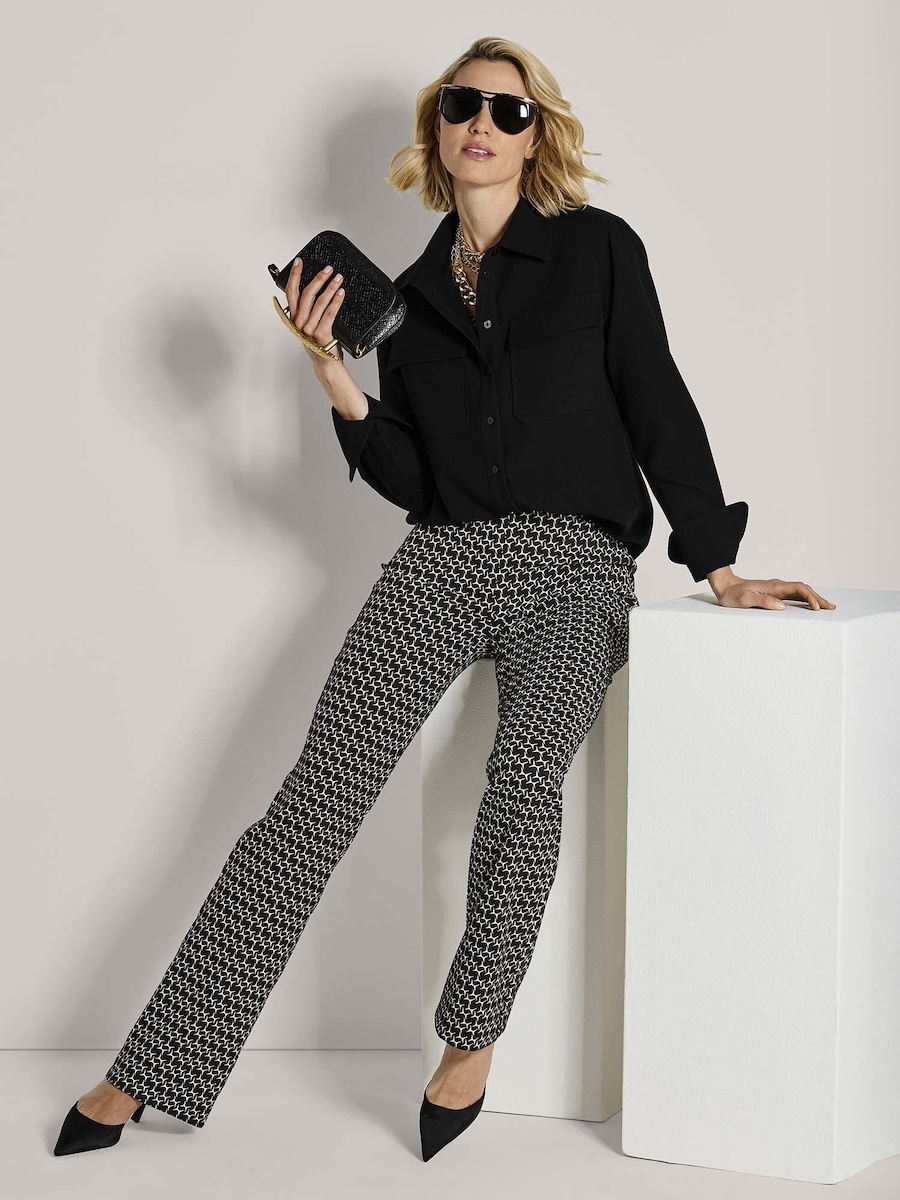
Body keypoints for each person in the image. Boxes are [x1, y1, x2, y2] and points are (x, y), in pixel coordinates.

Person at [54, 35, 835, 1163]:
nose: (484, 123)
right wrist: (333, 372)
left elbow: (656, 397)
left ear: (536, 133)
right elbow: (419, 480)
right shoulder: (408, 299)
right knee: (312, 805)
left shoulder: (598, 251)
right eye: (464, 104)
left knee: (521, 788)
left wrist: (716, 563)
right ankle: (150, 1065)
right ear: (437, 128)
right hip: (443, 559)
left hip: (576, 563)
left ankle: (469, 1042)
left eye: (509, 111)